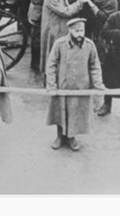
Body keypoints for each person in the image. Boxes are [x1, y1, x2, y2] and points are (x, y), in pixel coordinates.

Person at [45, 17, 106, 151]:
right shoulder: (60, 44)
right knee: (60, 112)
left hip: (81, 87)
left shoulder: (89, 45)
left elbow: (95, 66)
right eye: (76, 31)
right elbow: (51, 64)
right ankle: (60, 136)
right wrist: (51, 86)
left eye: (82, 31)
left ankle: (71, 137)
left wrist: (98, 85)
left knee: (75, 112)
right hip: (63, 86)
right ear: (70, 30)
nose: (80, 34)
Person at [39, 0, 87, 72]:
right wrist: (80, 3)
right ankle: (52, 75)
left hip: (58, 27)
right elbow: (66, 11)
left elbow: (64, 2)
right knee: (55, 53)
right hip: (54, 30)